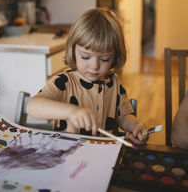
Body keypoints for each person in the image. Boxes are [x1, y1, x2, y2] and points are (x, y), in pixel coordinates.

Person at [27, 8, 148, 145]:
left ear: (115, 57)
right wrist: (71, 112)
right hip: (67, 155)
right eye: (85, 57)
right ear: (73, 51)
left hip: (103, 154)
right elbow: (32, 106)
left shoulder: (114, 83)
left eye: (104, 59)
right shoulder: (64, 82)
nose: (94, 66)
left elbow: (123, 116)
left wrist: (135, 125)